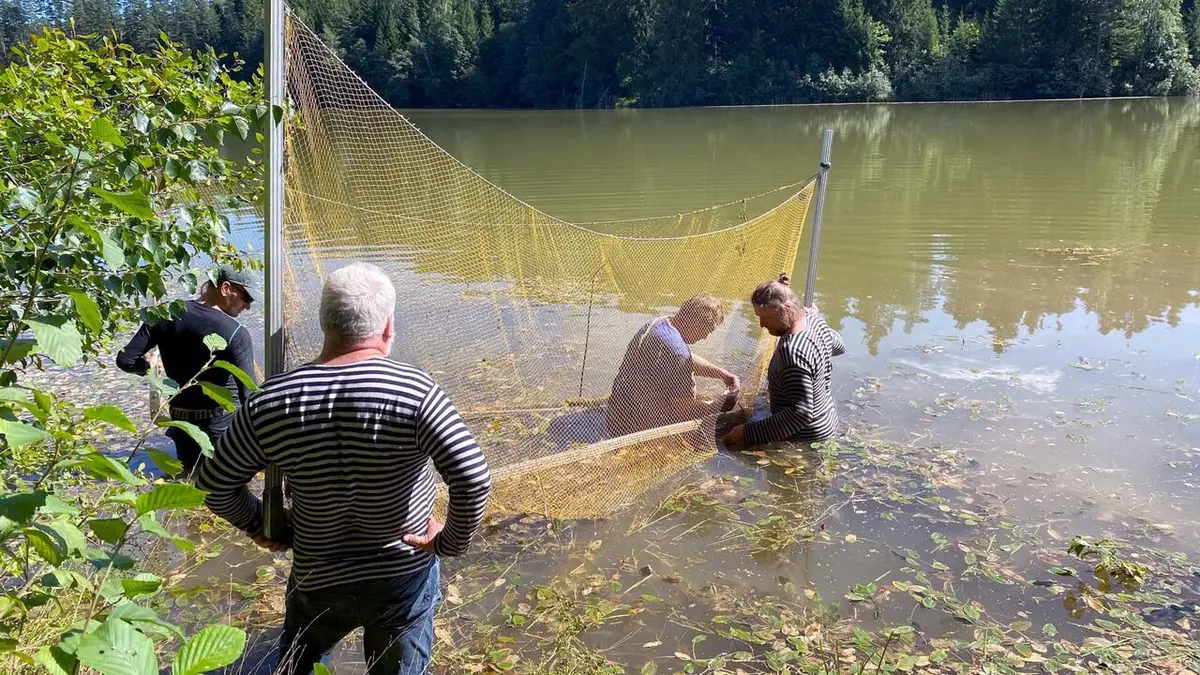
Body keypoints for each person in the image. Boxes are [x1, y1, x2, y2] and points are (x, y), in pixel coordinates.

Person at [195, 261, 492, 675]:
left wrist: (259, 526)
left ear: (323, 323)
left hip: (318, 572)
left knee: (300, 664)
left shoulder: (271, 400)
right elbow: (473, 478)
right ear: (388, 327)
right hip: (401, 575)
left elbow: (213, 484)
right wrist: (449, 542)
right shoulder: (417, 392)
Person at [116, 264, 258, 477]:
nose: (248, 307)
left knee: (189, 477)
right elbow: (249, 394)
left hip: (181, 420)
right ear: (226, 288)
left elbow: (126, 359)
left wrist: (148, 367)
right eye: (246, 298)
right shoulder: (236, 333)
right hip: (220, 424)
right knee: (223, 487)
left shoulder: (165, 313)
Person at [722, 273, 845, 447]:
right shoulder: (816, 323)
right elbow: (840, 347)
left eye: (766, 318)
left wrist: (748, 433)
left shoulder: (792, 352)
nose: (762, 325)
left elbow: (800, 414)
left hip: (804, 438)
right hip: (828, 423)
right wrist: (816, 319)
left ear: (787, 310)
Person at [605, 294, 741, 438]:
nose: (705, 337)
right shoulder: (677, 352)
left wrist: (723, 374)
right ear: (694, 324)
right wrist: (717, 406)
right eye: (706, 331)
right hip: (637, 427)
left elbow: (686, 359)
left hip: (616, 413)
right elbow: (682, 411)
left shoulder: (659, 323)